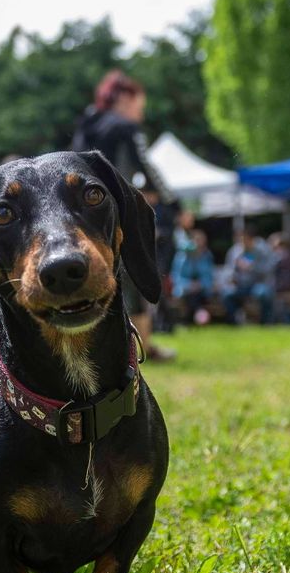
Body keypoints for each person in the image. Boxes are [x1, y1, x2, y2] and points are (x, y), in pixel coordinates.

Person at [71, 70, 177, 359]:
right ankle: (144, 346)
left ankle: (97, 349)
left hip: (82, 218)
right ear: (123, 98)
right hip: (117, 212)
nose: (140, 114)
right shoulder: (125, 127)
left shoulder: (86, 125)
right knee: (135, 272)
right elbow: (147, 166)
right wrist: (172, 203)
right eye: (138, 106)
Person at [221, 230, 278, 325]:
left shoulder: (262, 250)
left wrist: (251, 267)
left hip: (258, 284)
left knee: (263, 293)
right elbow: (227, 270)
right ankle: (234, 323)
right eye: (240, 241)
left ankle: (266, 322)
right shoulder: (234, 251)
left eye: (245, 240)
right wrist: (232, 276)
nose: (242, 244)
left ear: (252, 240)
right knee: (227, 294)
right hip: (240, 285)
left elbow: (268, 269)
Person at [171, 229, 216, 325]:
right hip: (184, 290)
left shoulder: (207, 256)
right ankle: (198, 316)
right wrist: (189, 285)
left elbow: (209, 277)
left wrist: (200, 284)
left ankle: (196, 317)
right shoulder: (181, 257)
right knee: (190, 296)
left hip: (202, 289)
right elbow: (176, 277)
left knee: (199, 295)